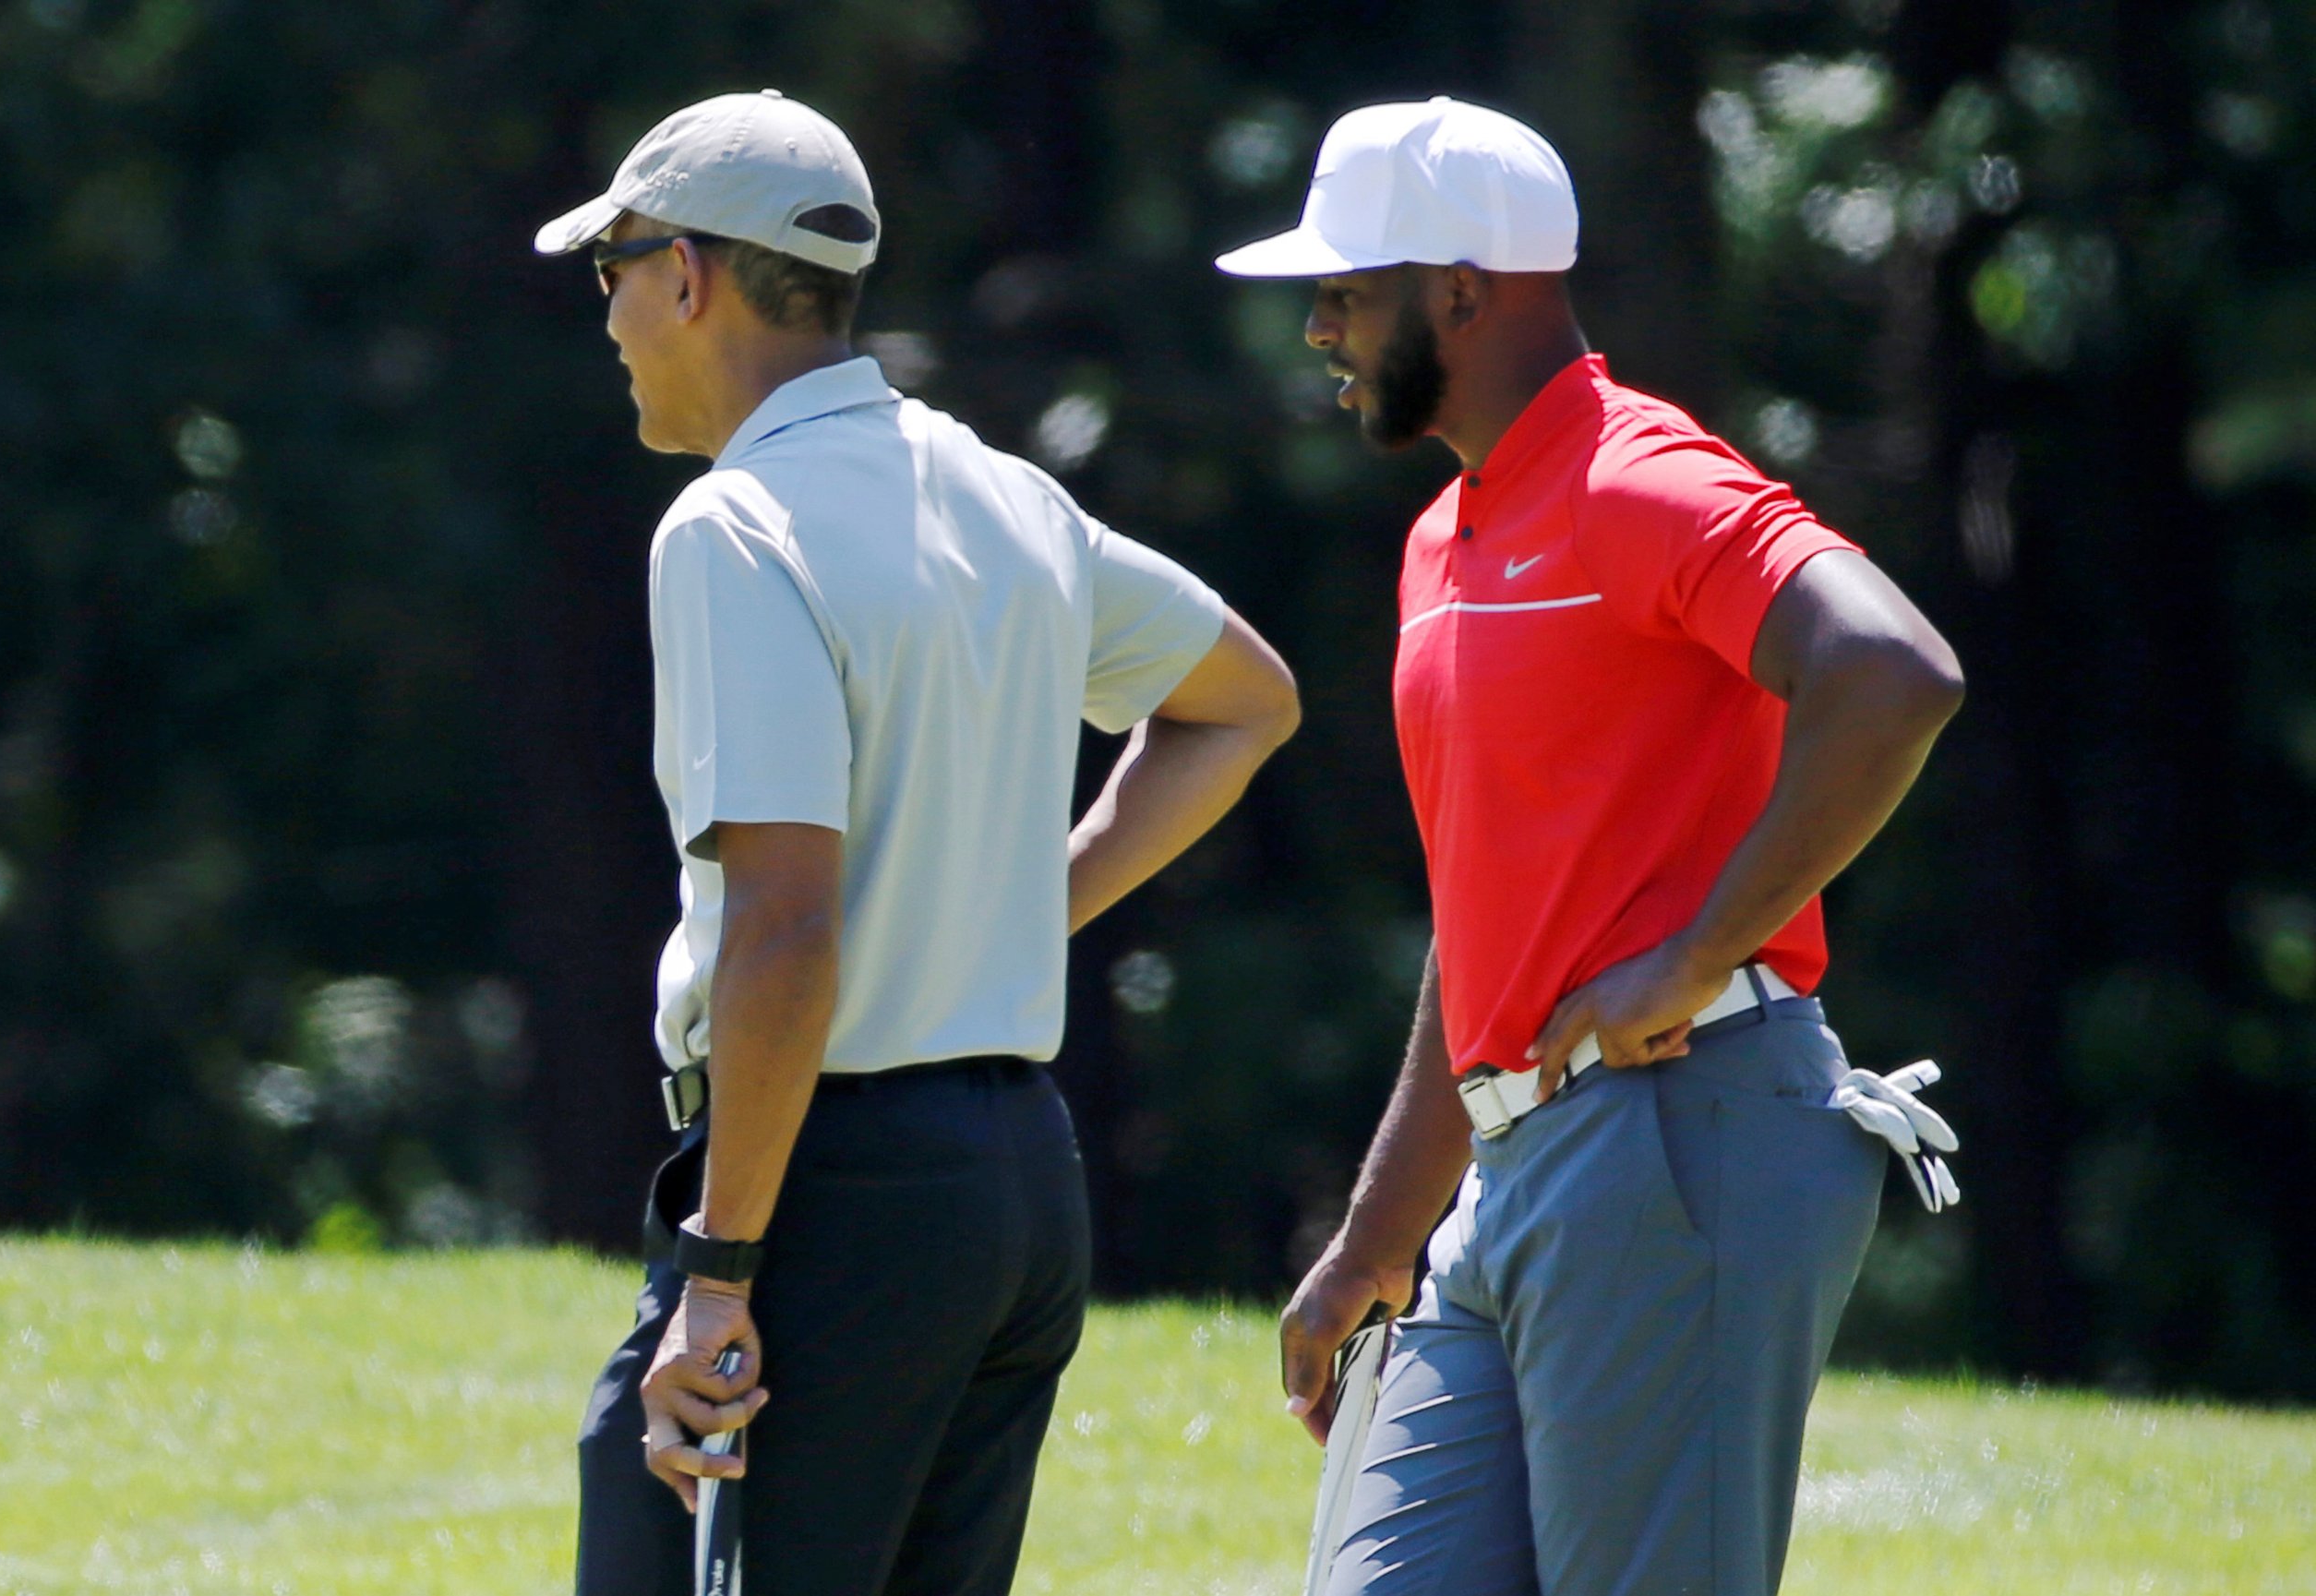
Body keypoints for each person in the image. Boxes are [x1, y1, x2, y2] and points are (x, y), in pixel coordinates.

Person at [534, 90, 1301, 1596]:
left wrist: (722, 1270)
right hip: (1019, 1185)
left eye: (612, 266)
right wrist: (1031, 909)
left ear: (686, 274)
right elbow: (1247, 702)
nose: (609, 311)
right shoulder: (1002, 493)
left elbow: (784, 934)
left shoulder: (732, 526)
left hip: (843, 1194)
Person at [1215, 98, 1965, 1596]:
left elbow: (1893, 672)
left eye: (1348, 292)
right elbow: (1490, 916)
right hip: (1514, 1175)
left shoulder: (1638, 476)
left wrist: (1694, 957)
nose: (1321, 329)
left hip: (1680, 1130)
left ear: (1464, 291)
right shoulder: (1447, 537)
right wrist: (1379, 1234)